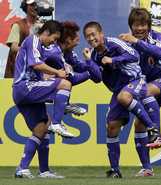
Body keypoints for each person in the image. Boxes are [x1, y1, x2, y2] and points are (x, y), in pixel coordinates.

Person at [82, 21, 160, 178]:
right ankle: (115, 170)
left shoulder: (114, 43)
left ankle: (153, 129)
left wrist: (113, 60)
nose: (91, 38)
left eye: (93, 34)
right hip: (119, 90)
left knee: (124, 97)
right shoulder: (95, 55)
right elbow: (97, 78)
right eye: (88, 36)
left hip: (135, 81)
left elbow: (134, 55)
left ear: (101, 34)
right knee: (111, 127)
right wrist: (89, 61)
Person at [13, 20, 74, 178]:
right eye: (53, 38)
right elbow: (36, 65)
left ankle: (27, 169)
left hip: (24, 91)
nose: (53, 42)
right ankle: (57, 123)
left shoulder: (40, 47)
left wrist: (59, 70)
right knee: (65, 84)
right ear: (45, 32)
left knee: (41, 127)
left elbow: (39, 66)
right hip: (24, 87)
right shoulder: (33, 40)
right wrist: (58, 72)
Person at [119, 8, 161, 176]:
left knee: (145, 90)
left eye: (143, 25)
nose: (139, 29)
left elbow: (160, 52)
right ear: (130, 26)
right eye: (135, 25)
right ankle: (147, 168)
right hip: (143, 83)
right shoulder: (125, 41)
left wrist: (136, 41)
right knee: (139, 123)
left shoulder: (158, 37)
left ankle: (157, 134)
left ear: (149, 25)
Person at [43, 21, 101, 115]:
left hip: (46, 86)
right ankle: (64, 106)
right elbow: (71, 79)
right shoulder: (55, 53)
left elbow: (81, 67)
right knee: (65, 79)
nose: (78, 44)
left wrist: (91, 62)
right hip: (33, 86)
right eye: (76, 41)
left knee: (43, 127)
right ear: (69, 40)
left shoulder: (67, 52)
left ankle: (64, 106)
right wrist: (90, 73)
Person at [4, 0, 40, 78]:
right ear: (26, 7)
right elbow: (14, 47)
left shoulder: (42, 27)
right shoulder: (18, 25)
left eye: (36, 5)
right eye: (32, 5)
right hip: (18, 71)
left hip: (35, 71)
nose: (35, 7)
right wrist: (31, 52)